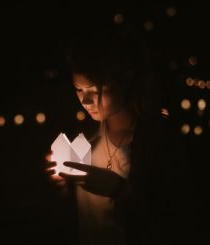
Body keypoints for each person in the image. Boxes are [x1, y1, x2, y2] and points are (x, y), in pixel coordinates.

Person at [45, 25, 195, 245]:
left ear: (125, 80)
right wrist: (60, 184)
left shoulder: (156, 141)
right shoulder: (85, 139)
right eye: (79, 89)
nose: (86, 102)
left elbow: (178, 219)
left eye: (95, 90)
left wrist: (119, 190)